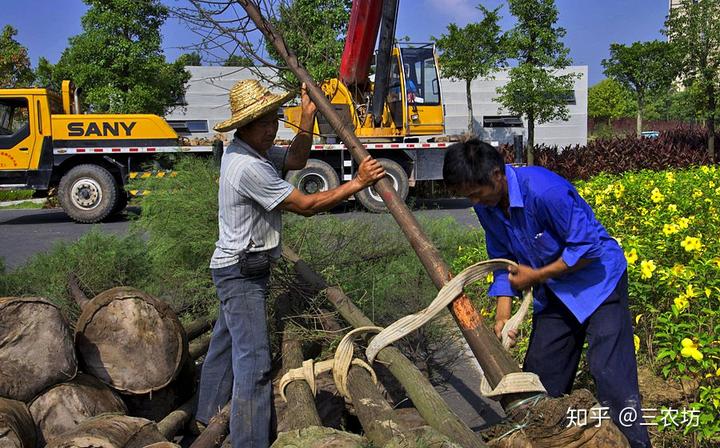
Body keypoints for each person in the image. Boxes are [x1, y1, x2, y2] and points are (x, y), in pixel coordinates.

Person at [196, 79, 386, 448]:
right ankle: (249, 442)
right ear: (243, 126)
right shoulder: (248, 166)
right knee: (254, 363)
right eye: (264, 123)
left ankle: (208, 417)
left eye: (274, 120)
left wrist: (307, 118)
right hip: (241, 272)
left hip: (238, 267)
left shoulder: (255, 153)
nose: (272, 129)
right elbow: (306, 206)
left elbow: (297, 159)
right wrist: (357, 183)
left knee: (223, 343)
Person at [442, 138, 651, 448]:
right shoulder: (486, 207)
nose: (474, 201)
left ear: (497, 175)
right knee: (541, 378)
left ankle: (636, 444)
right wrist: (503, 316)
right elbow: (504, 262)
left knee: (611, 375)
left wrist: (535, 275)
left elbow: (587, 248)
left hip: (599, 285)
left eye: (476, 192)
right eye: (467, 196)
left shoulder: (544, 190)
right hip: (555, 292)